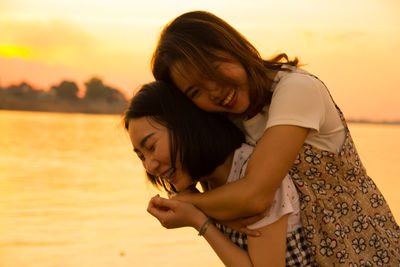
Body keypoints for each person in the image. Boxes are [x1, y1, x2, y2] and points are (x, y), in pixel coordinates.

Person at [150, 10, 400, 265]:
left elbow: (255, 196)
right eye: (195, 91)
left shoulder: (297, 90)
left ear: (234, 47)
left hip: (363, 249)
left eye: (213, 70)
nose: (213, 90)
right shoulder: (224, 120)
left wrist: (188, 204)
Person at [123, 81, 316, 266]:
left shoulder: (251, 174)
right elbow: (183, 198)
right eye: (141, 156)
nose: (149, 165)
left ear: (186, 126)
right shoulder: (208, 178)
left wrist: (200, 222)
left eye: (151, 146)